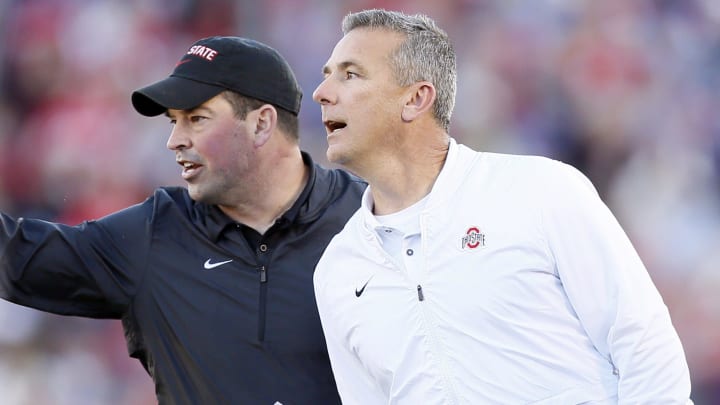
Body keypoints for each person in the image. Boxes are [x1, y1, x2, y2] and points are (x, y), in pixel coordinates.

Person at [312, 9, 692, 404]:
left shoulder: (541, 191)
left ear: (416, 98)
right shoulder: (337, 270)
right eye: (326, 75)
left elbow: (644, 346)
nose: (322, 93)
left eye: (350, 74)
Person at [0, 35, 365, 404]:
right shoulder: (153, 236)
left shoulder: (371, 220)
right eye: (174, 121)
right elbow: (15, 254)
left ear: (261, 124)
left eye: (197, 119)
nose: (174, 140)